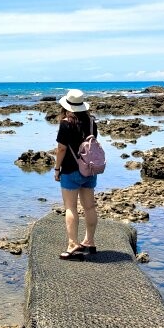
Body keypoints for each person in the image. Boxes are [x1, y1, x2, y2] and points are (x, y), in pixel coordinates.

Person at [53, 89, 99, 260]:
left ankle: (73, 243)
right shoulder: (91, 122)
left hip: (71, 170)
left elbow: (61, 149)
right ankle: (90, 241)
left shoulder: (66, 123)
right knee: (89, 207)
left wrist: (57, 169)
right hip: (89, 169)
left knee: (71, 208)